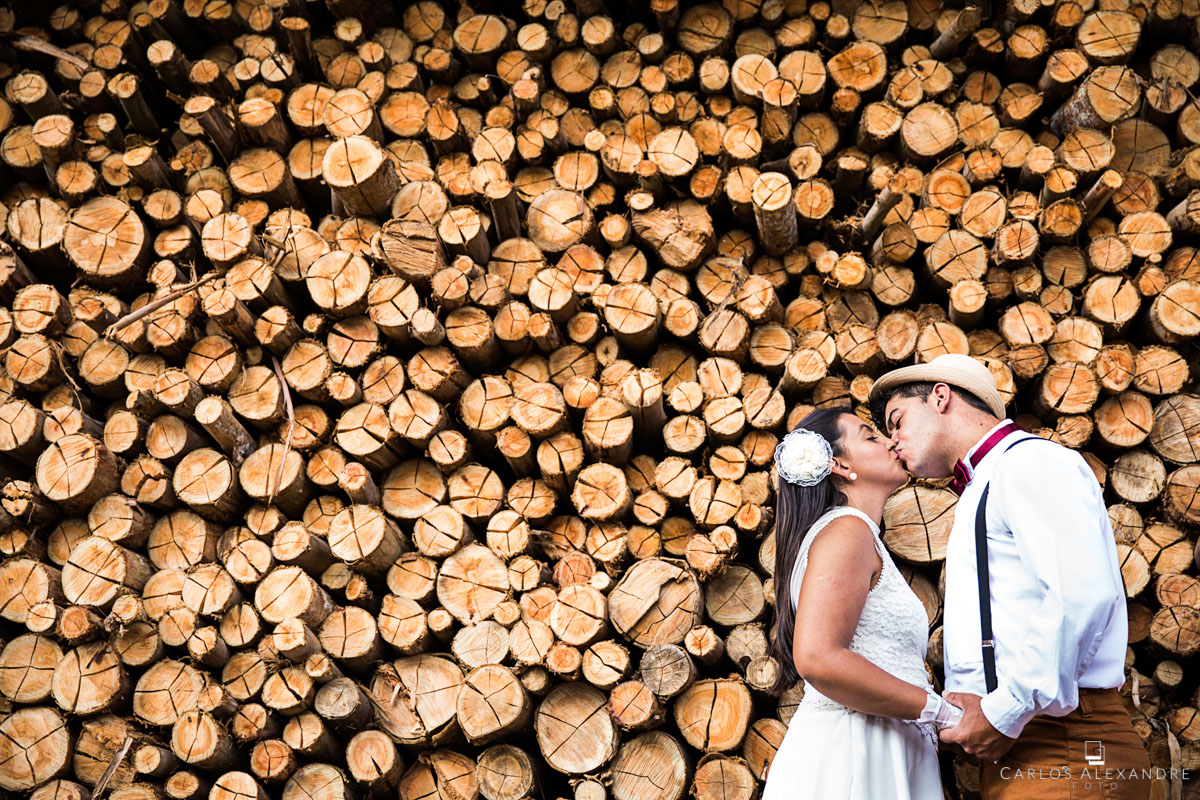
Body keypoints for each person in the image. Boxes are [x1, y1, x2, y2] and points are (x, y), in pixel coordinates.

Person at [868, 353, 1152, 800]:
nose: (893, 441)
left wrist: (1005, 710)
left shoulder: (1028, 462)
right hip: (1024, 746)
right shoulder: (987, 481)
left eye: (897, 420)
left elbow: (1079, 596)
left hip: (1064, 743)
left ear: (940, 397)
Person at [762, 406, 960, 800]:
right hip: (855, 751)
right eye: (871, 436)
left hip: (886, 742)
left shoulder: (858, 535)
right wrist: (940, 712)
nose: (891, 442)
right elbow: (818, 657)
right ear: (838, 464)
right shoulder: (846, 531)